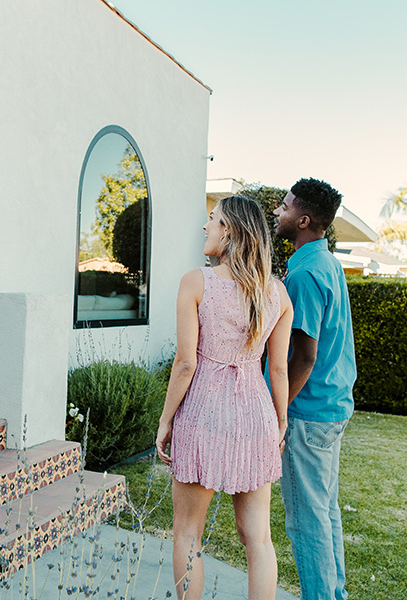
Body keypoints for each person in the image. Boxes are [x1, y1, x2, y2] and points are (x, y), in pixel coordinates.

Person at [156, 195, 293, 600]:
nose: (205, 226)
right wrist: (280, 420)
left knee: (187, 532)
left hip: (204, 413)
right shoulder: (278, 293)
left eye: (212, 220)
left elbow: (185, 364)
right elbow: (279, 369)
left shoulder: (196, 282)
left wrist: (166, 420)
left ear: (229, 230)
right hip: (256, 416)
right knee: (258, 538)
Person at [271, 178, 357, 600]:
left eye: (285, 207)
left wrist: (278, 413)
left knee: (306, 520)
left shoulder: (305, 274)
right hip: (333, 406)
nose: (278, 211)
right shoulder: (327, 262)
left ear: (303, 220)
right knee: (325, 511)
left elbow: (303, 357)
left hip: (309, 412)